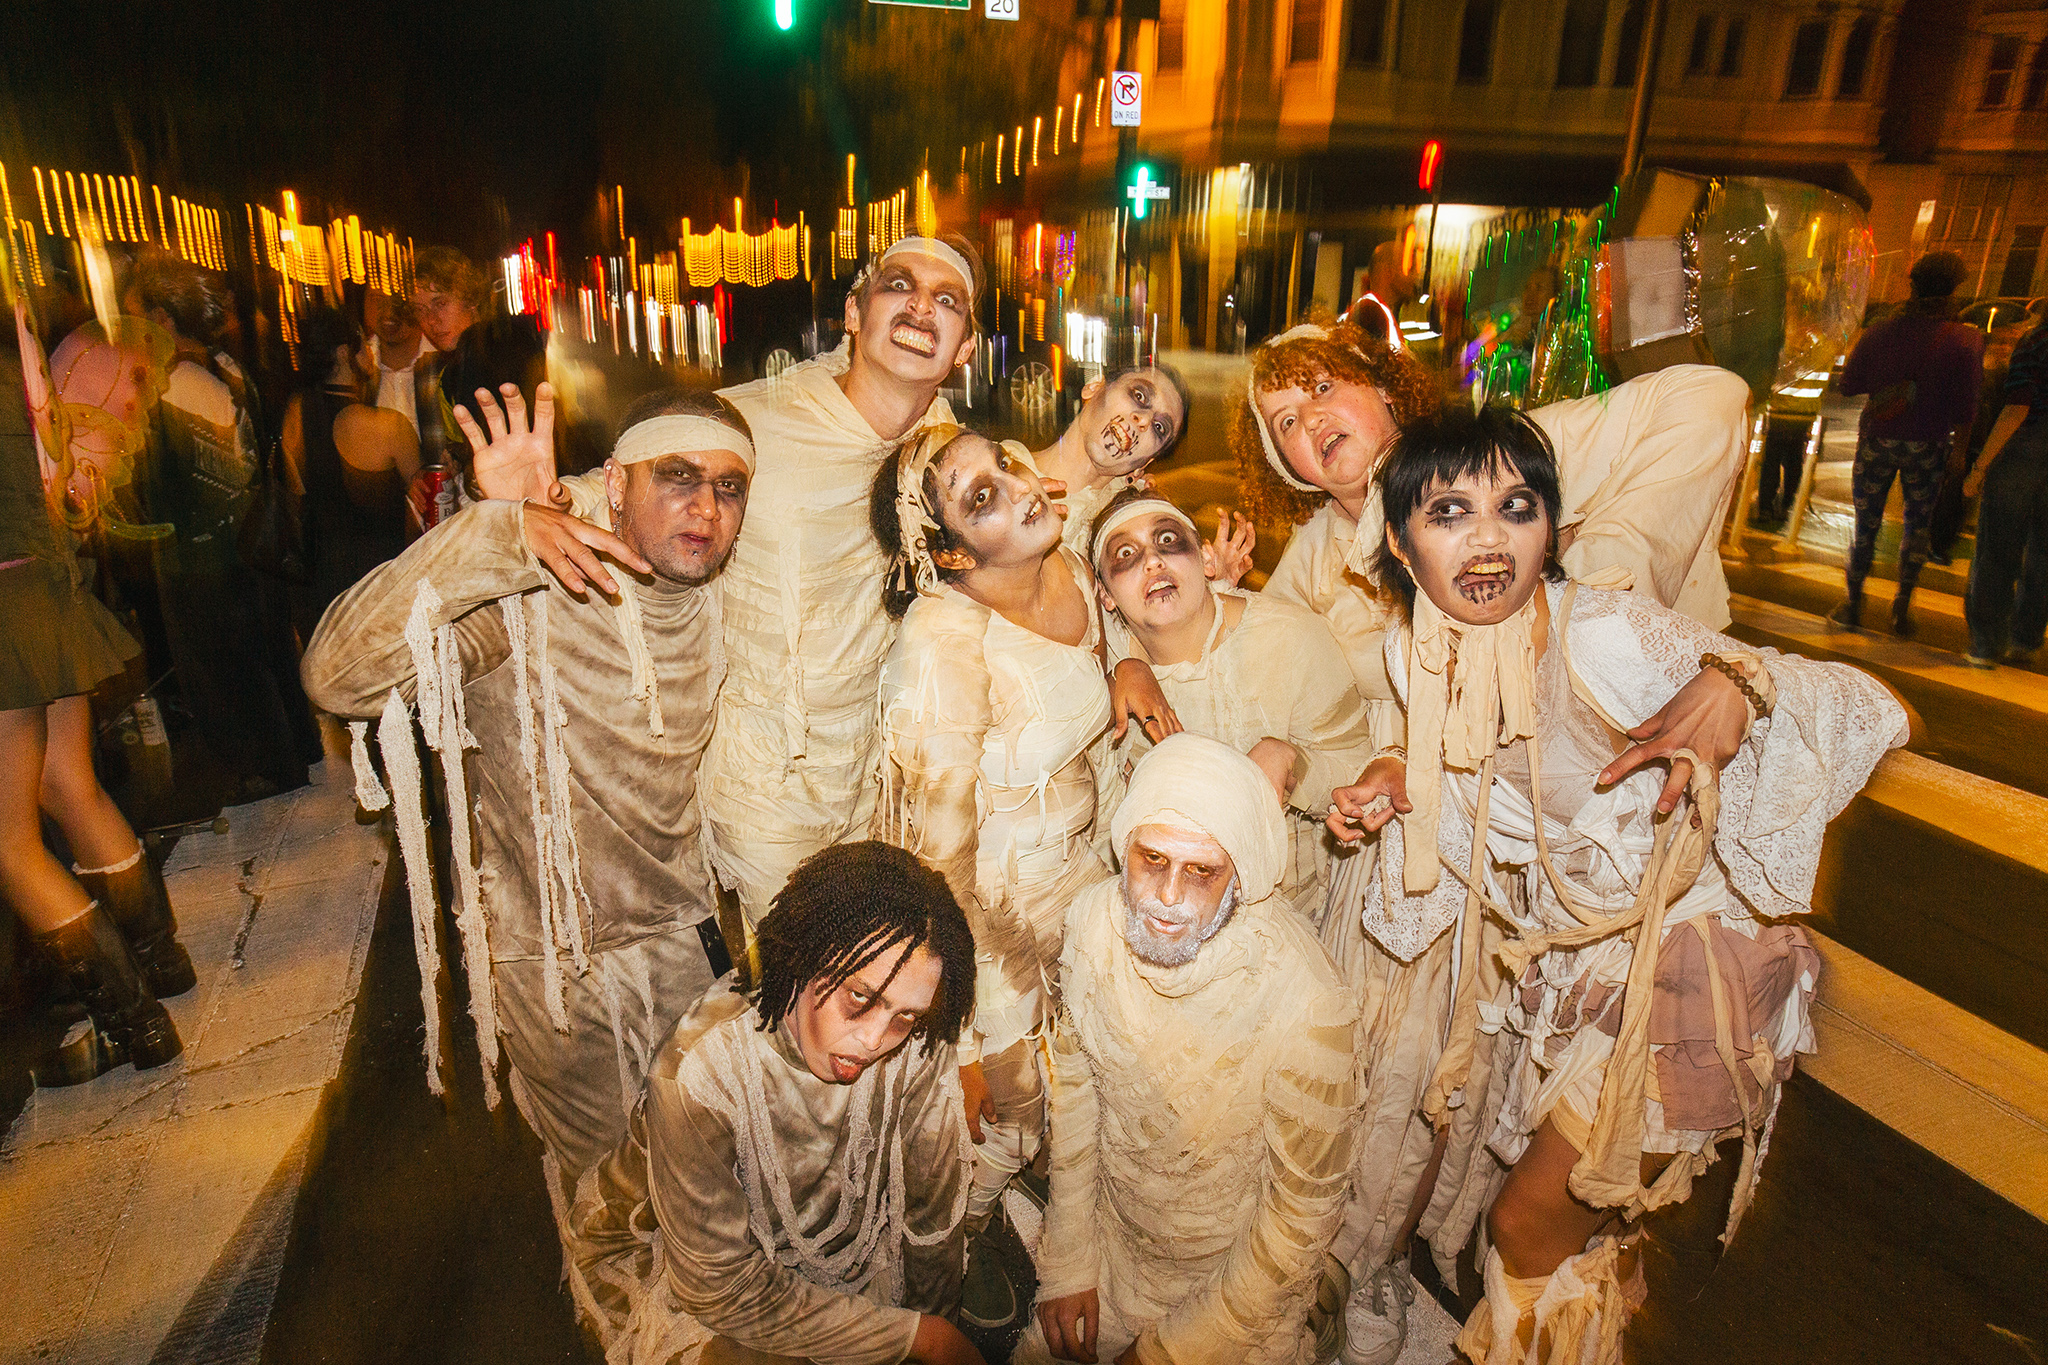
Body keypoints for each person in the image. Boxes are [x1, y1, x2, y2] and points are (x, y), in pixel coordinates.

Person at [1228, 321, 1756, 1365]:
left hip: (1636, 880)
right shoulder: (1317, 559)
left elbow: (1709, 401)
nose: (1307, 428)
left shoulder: (1505, 455)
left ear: (1386, 387)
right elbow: (1267, 675)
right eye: (1282, 423)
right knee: (1405, 1095)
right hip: (1455, 869)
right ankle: (1367, 1277)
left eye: (1323, 391)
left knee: (1532, 1182)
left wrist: (1596, 585)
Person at [1336, 405, 1902, 1365]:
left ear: (1551, 528)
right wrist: (1402, 775)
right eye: (1449, 511)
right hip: (1576, 977)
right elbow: (1475, 776)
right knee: (1574, 1230)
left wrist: (1739, 684)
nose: (1487, 540)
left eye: (1517, 506)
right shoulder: (1415, 657)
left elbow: (1875, 708)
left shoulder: (1606, 635)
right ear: (1397, 538)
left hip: (1689, 967)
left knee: (1523, 1228)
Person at [301, 386, 751, 1210]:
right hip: (563, 973)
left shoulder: (719, 592)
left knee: (710, 1182)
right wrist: (494, 531)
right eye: (678, 475)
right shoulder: (528, 592)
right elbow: (336, 673)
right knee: (617, 1205)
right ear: (614, 484)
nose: (705, 507)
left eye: (729, 487)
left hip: (692, 949)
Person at [565, 841, 988, 1365]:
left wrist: (936, 1329)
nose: (877, 1038)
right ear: (807, 954)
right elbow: (719, 1288)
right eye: (860, 997)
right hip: (691, 1270)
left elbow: (931, 1216)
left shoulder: (918, 1042)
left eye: (905, 1016)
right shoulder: (698, 1073)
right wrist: (918, 1339)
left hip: (827, 1260)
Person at [873, 423, 1113, 1327]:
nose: (1014, 486)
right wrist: (961, 1042)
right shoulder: (942, 642)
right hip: (987, 912)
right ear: (948, 550)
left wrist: (1129, 668)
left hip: (1083, 878)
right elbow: (933, 861)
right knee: (1004, 1118)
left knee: (1084, 1069)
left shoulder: (1070, 564)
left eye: (1005, 463)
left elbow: (1102, 650)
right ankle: (944, 1253)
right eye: (978, 496)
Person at [1019, 734, 1360, 1365]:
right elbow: (1074, 1091)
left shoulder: (1309, 1002)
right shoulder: (1093, 919)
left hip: (1235, 1298)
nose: (1168, 896)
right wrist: (1069, 1261)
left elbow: (1300, 1224)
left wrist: (1169, 1353)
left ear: (1244, 875)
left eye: (1201, 871)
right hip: (1112, 1248)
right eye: (1152, 859)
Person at [704, 236, 980, 930]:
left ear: (965, 350)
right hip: (762, 789)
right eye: (899, 286)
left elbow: (1032, 523)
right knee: (794, 996)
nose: (922, 305)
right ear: (853, 314)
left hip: (877, 785)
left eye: (947, 301)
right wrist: (525, 499)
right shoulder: (748, 423)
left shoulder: (948, 452)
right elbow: (632, 495)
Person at [3, 295, 189, 1086]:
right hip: (50, 590)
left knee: (7, 839)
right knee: (69, 785)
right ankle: (161, 961)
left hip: (7, 610)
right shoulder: (24, 363)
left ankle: (134, 1021)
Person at [1090, 489, 1374, 923]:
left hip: (1282, 915)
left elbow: (1360, 771)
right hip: (1152, 914)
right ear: (1105, 594)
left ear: (1206, 562)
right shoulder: (1098, 672)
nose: (1153, 563)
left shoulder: (1289, 638)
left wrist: (1292, 764)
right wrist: (1119, 672)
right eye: (1126, 554)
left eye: (1167, 541)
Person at [1831, 251, 1982, 637]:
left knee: (1866, 523)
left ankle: (1852, 603)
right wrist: (1961, 454)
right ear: (1954, 289)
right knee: (1918, 525)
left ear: (1912, 284)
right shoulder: (1964, 340)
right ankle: (1901, 608)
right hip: (1928, 445)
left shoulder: (1881, 332)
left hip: (1877, 440)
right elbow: (1967, 407)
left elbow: (1849, 385)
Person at [280, 306, 417, 633]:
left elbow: (294, 496)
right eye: (362, 345)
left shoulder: (295, 413)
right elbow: (429, 501)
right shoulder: (388, 426)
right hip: (382, 589)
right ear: (345, 354)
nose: (370, 352)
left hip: (323, 592)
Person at [1021, 362, 1192, 558]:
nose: (1144, 420)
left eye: (1159, 427)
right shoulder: (999, 469)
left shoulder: (1128, 529)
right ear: (1094, 388)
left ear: (1144, 463)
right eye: (1139, 396)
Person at [1962, 315, 2048, 667]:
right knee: (2044, 556)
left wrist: (1980, 467)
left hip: (2025, 449)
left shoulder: (2036, 341)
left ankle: (1986, 643)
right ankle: (2026, 640)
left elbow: (2017, 407)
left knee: (1997, 550)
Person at [364, 286, 430, 435]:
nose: (388, 312)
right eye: (378, 300)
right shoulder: (354, 368)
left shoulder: (444, 361)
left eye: (399, 301)